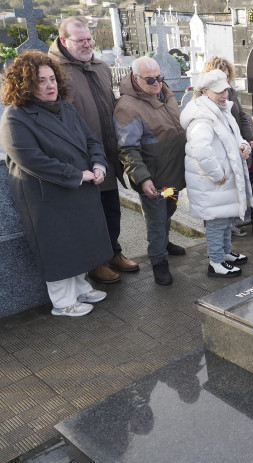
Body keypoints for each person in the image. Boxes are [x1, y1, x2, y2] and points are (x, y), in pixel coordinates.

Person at [0, 50, 112, 316]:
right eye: (41, 81)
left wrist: (98, 164)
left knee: (80, 241)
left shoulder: (66, 107)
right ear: (25, 84)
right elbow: (31, 159)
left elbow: (92, 139)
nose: (50, 85)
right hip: (46, 195)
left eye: (52, 78)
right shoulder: (15, 117)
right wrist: (77, 174)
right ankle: (63, 302)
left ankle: (80, 286)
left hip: (78, 188)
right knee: (59, 246)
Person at [49, 16, 139, 284]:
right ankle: (96, 262)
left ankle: (113, 252)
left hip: (107, 150)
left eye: (90, 39)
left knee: (112, 207)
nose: (88, 44)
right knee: (90, 213)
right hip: (79, 155)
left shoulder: (100, 66)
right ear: (64, 41)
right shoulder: (53, 69)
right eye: (81, 40)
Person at [114, 56, 187, 285]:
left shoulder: (164, 91)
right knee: (156, 220)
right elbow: (127, 148)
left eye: (159, 77)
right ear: (135, 79)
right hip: (155, 179)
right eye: (150, 80)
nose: (157, 83)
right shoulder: (127, 107)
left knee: (169, 210)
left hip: (173, 175)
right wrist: (142, 178)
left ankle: (163, 242)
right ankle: (158, 261)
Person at [181, 69, 253, 278]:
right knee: (216, 223)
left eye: (226, 91)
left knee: (225, 219)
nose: (224, 95)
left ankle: (225, 253)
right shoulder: (202, 117)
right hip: (213, 182)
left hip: (223, 180)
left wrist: (243, 146)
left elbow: (234, 135)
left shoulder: (221, 110)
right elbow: (200, 149)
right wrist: (217, 173)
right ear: (205, 91)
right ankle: (216, 262)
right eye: (218, 92)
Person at [201, 57, 253, 237]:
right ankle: (216, 230)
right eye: (220, 77)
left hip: (235, 147)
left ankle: (228, 227)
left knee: (233, 190)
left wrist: (248, 138)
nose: (224, 83)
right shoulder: (202, 97)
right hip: (218, 152)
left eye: (227, 77)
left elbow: (241, 116)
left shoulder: (230, 93)